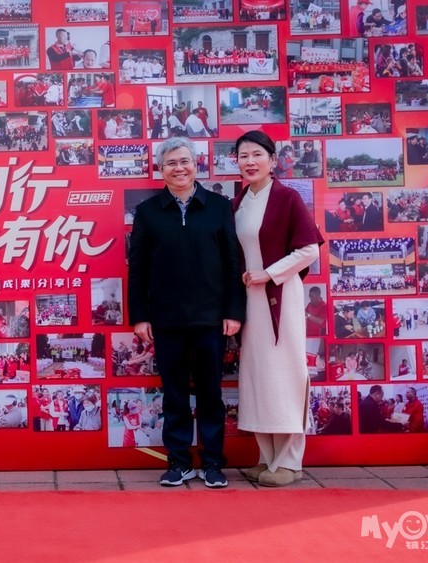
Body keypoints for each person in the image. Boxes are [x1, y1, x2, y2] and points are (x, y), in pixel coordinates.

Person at [127, 136, 246, 488]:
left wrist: (233, 311)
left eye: (184, 161)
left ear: (196, 165)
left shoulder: (219, 207)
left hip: (211, 319)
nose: (179, 168)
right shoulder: (148, 212)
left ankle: (212, 463)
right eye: (171, 163)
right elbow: (137, 268)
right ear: (160, 169)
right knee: (174, 394)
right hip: (166, 319)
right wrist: (140, 316)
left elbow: (232, 262)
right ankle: (179, 462)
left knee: (210, 393)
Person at [232, 130, 324, 487]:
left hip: (280, 298)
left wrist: (268, 273)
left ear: (272, 160)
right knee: (258, 376)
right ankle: (267, 458)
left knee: (284, 373)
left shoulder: (287, 197)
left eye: (257, 154)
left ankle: (290, 461)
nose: (250, 162)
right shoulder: (238, 203)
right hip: (250, 302)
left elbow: (309, 249)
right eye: (243, 156)